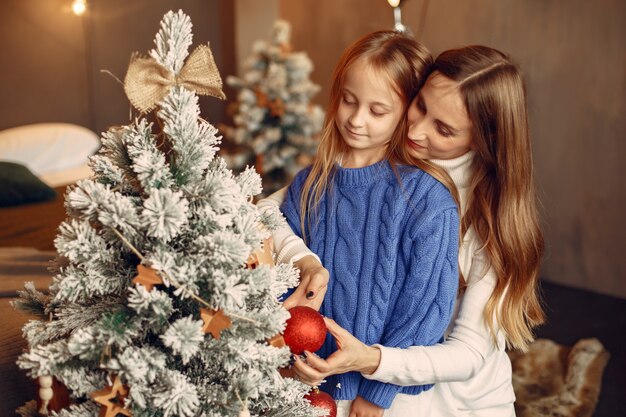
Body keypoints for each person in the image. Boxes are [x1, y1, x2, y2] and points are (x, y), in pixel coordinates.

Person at [262, 45, 545, 417]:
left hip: (460, 399)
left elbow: (466, 353)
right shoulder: (378, 163)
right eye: (421, 105)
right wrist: (305, 261)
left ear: (482, 140)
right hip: (377, 378)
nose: (416, 127)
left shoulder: (485, 218)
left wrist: (373, 368)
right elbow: (267, 209)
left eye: (443, 129)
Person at [267, 31, 461, 416]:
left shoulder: (427, 200)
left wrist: (375, 396)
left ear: (407, 111)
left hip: (388, 395)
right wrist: (292, 362)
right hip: (309, 384)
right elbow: (282, 274)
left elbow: (423, 311)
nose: (356, 120)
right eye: (349, 101)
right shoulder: (311, 182)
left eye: (377, 111)